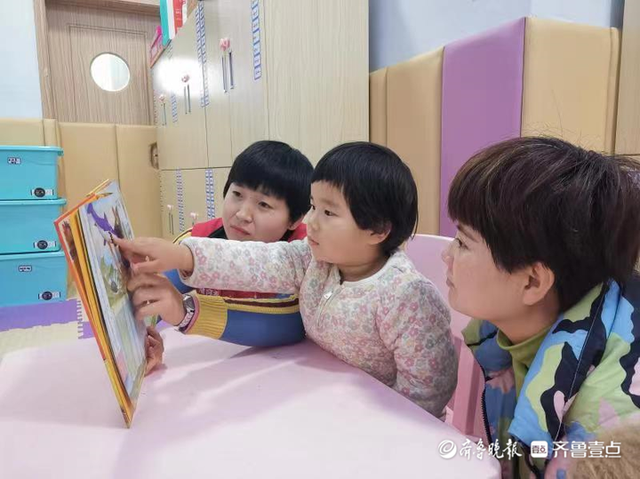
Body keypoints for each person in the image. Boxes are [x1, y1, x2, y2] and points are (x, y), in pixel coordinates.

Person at [118, 142, 458, 417]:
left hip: (378, 422)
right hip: (317, 396)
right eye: (313, 207)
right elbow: (258, 260)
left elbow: (425, 393)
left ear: (377, 230)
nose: (312, 222)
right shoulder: (314, 260)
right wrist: (182, 255)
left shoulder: (406, 297)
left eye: (328, 212)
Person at [442, 136, 640, 477]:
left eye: (462, 242)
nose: (446, 255)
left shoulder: (604, 436)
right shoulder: (508, 335)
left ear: (533, 282)